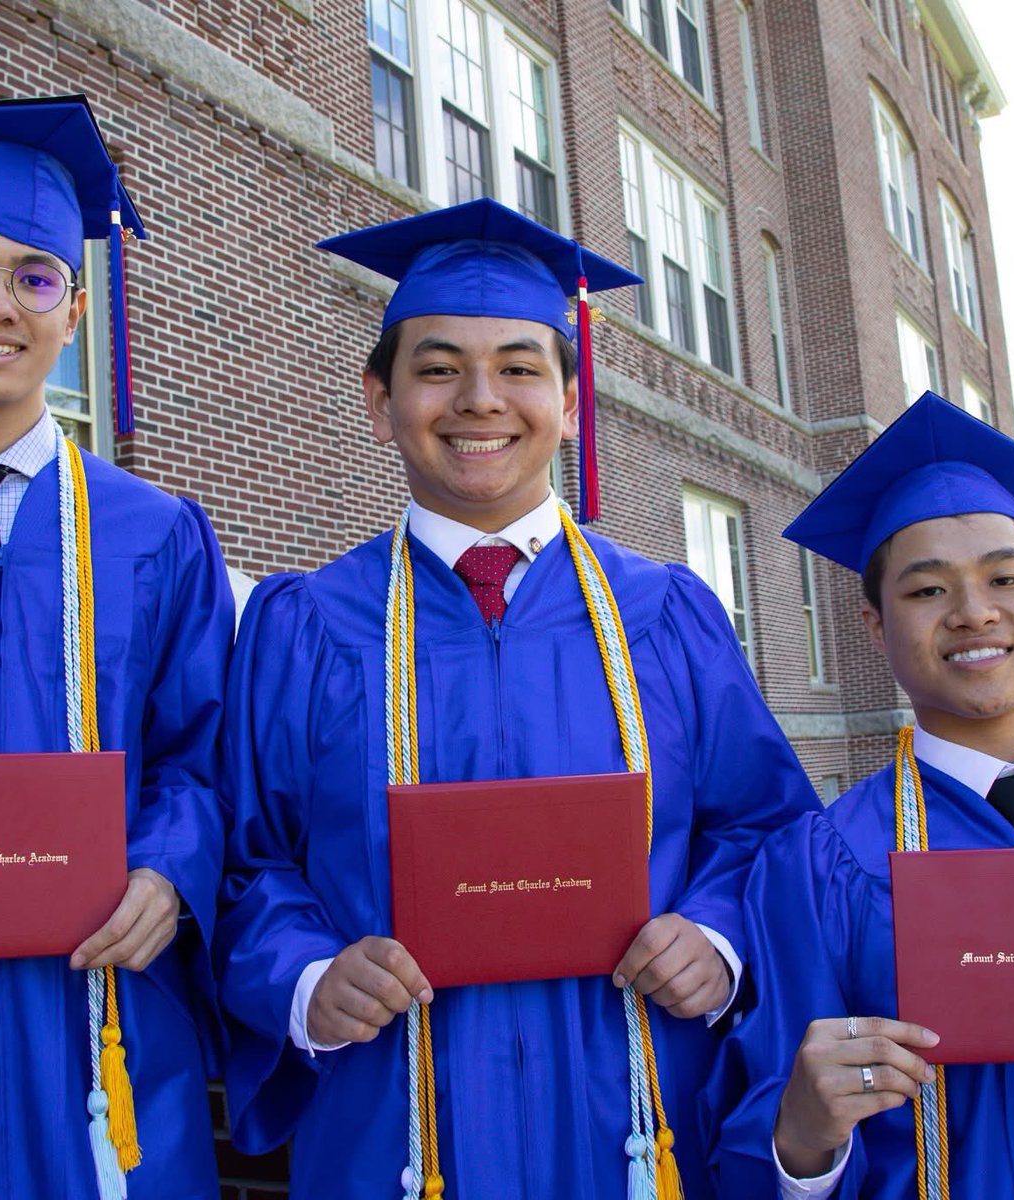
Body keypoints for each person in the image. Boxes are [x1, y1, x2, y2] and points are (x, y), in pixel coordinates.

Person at [215, 197, 819, 1198]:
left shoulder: (667, 617)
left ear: (572, 403)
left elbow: (767, 830)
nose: (480, 399)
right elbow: (247, 865)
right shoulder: (309, 627)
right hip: (394, 1140)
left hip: (635, 1131)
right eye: (439, 367)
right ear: (380, 401)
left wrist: (718, 939)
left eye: (520, 368)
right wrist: (308, 980)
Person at [0, 95, 232, 1198]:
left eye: (36, 276)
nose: (0, 303)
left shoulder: (155, 533)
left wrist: (172, 874)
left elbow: (206, 754)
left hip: (106, 1041)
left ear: (75, 313)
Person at [704, 392, 1014, 1198]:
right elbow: (753, 1131)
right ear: (877, 626)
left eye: (1006, 577)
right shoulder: (820, 863)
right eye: (927, 592)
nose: (974, 612)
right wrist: (803, 1135)